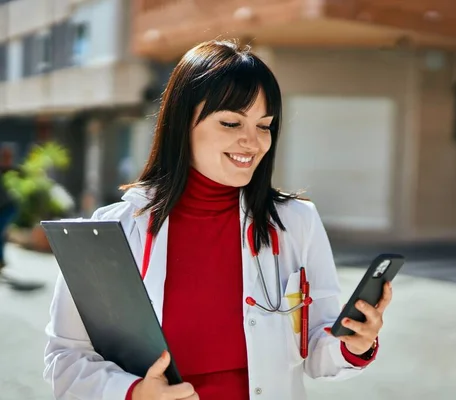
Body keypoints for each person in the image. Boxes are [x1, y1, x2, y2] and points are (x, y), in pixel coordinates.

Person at [43, 40, 394, 400]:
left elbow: (318, 353)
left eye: (265, 126)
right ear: (182, 123)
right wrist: (132, 392)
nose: (252, 142)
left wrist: (355, 343)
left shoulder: (296, 222)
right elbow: (65, 360)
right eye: (231, 122)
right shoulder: (112, 231)